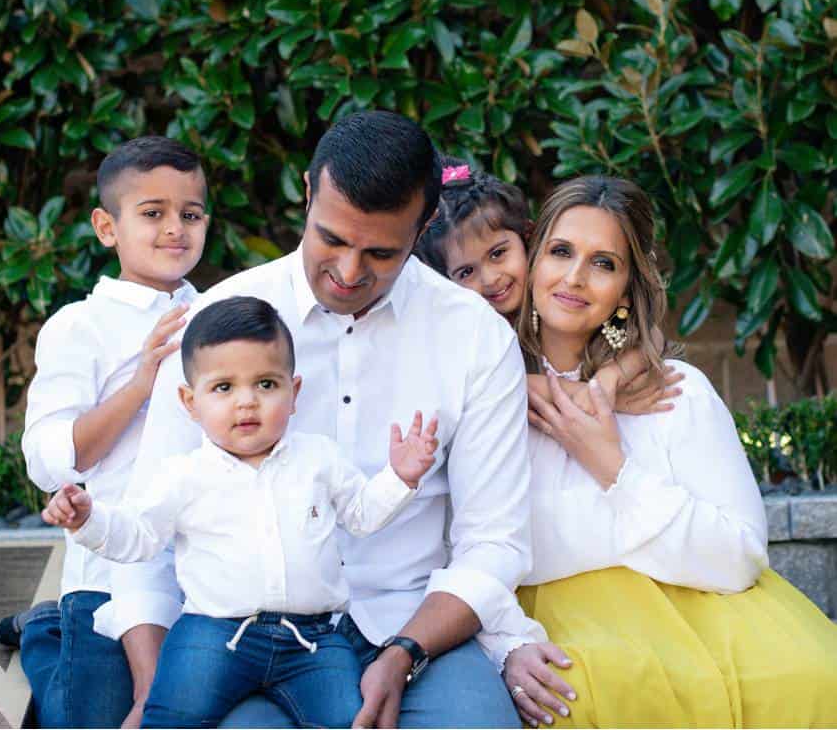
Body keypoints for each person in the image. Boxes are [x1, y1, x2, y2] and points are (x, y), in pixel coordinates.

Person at [101, 110, 529, 728]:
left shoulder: (477, 338)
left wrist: (406, 652)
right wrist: (152, 691)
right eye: (332, 238)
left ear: (425, 224)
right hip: (239, 638)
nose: (349, 272)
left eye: (380, 252)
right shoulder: (217, 320)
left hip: (415, 622)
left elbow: (495, 542)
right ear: (307, 192)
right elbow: (147, 545)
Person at [470, 176, 837, 727]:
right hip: (556, 626)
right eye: (561, 252)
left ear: (627, 288)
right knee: (582, 693)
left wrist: (610, 467)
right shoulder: (483, 395)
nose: (574, 277)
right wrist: (503, 647)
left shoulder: (672, 391)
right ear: (531, 258)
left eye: (604, 263)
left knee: (811, 674)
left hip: (701, 615)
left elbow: (740, 553)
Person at [44, 296, 440, 729]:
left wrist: (399, 477)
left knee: (351, 718)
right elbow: (139, 536)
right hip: (213, 635)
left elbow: (362, 514)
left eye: (267, 384)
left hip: (313, 639)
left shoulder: (318, 459)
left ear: (294, 392)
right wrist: (88, 519)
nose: (247, 402)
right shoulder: (184, 475)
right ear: (190, 402)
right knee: (168, 717)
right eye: (223, 388)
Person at [8, 136, 208, 728]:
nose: (176, 229)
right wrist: (140, 383)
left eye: (191, 215)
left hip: (204, 573)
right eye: (153, 214)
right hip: (105, 573)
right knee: (86, 718)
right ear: (106, 227)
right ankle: (45, 632)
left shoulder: (222, 313)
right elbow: (49, 465)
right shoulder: (79, 326)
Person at [415, 157, 680, 420]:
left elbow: (649, 337)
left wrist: (612, 377)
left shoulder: (558, 304)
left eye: (497, 254)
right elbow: (510, 386)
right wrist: (592, 394)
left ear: (529, 240)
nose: (490, 279)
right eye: (466, 272)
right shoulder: (473, 331)